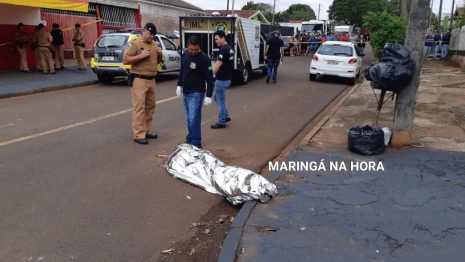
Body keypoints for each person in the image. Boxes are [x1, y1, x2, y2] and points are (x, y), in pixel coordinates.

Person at [123, 22, 163, 145]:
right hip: (139, 79)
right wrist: (141, 56)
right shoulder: (134, 43)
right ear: (143, 31)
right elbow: (125, 60)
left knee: (150, 107)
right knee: (139, 108)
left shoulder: (154, 44)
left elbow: (157, 62)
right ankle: (138, 134)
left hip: (151, 79)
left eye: (153, 35)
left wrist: (160, 54)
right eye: (150, 33)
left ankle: (146, 130)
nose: (152, 36)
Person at [176, 35, 214, 149]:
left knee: (194, 119)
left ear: (199, 47)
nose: (193, 51)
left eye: (196, 49)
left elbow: (210, 77)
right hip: (186, 92)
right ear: (188, 45)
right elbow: (182, 71)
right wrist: (179, 84)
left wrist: (209, 95)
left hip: (197, 92)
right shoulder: (185, 54)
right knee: (189, 118)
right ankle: (190, 138)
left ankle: (196, 142)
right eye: (191, 49)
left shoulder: (204, 59)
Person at [211, 30, 234, 129]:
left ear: (222, 38)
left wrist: (209, 75)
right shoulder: (229, 48)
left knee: (220, 102)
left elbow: (217, 65)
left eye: (217, 39)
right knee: (216, 97)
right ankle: (226, 115)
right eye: (215, 39)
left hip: (222, 79)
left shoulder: (223, 50)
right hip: (227, 78)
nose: (216, 41)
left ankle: (221, 122)